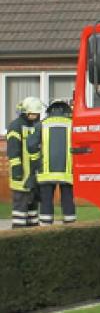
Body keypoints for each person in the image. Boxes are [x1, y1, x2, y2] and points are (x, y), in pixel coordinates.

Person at [31, 99, 75, 226]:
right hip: (67, 172)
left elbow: (31, 145)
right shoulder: (72, 124)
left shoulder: (41, 124)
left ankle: (46, 228)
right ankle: (71, 227)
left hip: (46, 172)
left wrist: (37, 160)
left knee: (46, 201)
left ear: (50, 110)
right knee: (68, 200)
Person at [7, 96, 42, 227]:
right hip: (21, 176)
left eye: (37, 114)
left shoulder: (36, 125)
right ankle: (18, 232)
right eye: (33, 113)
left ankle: (32, 233)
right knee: (20, 207)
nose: (35, 116)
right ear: (25, 112)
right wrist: (17, 171)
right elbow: (13, 150)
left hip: (33, 175)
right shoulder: (15, 126)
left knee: (33, 209)